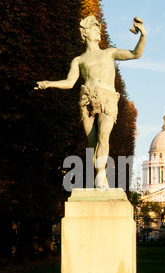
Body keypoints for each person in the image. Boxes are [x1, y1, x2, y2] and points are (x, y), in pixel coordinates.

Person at [35, 15, 146, 189]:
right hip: (86, 99)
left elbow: (135, 54)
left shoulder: (109, 53)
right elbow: (70, 82)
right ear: (85, 33)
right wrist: (49, 84)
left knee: (104, 135)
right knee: (92, 142)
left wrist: (143, 35)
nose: (98, 31)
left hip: (107, 98)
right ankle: (99, 174)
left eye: (98, 28)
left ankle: (100, 175)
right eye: (94, 28)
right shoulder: (78, 60)